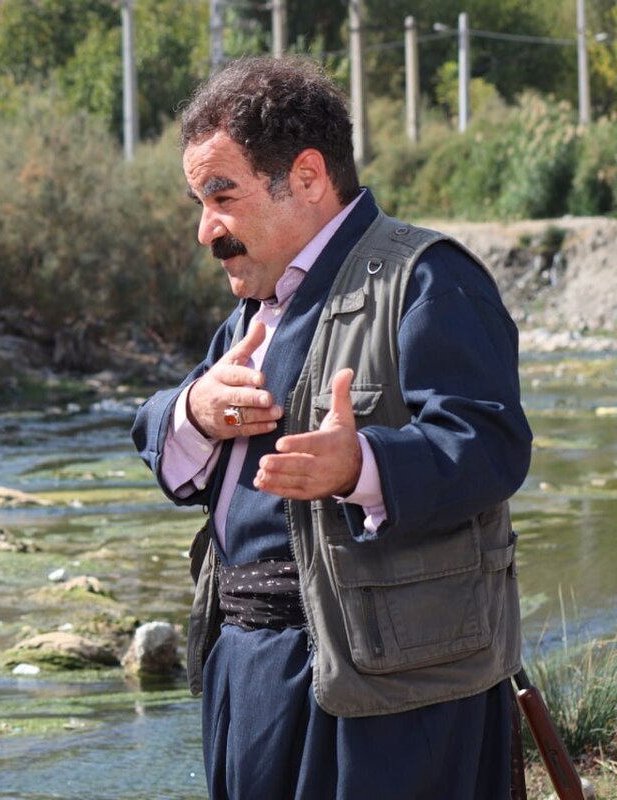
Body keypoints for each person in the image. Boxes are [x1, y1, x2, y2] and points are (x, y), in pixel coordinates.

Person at [132, 57, 532, 800]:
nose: (205, 229)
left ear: (308, 177)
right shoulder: (252, 312)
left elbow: (492, 446)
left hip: (393, 699)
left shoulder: (429, 279)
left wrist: (362, 465)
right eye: (199, 200)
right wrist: (193, 411)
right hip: (249, 677)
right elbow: (160, 439)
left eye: (222, 195)